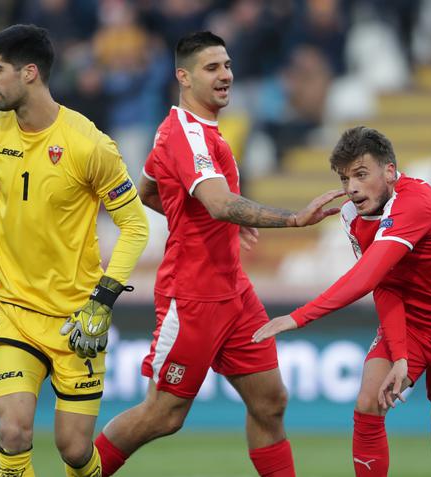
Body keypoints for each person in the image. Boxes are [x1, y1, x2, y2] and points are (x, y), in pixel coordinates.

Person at [93, 31, 344, 477]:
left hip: (234, 292)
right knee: (163, 415)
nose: (225, 75)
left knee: (270, 402)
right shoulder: (187, 135)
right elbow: (217, 201)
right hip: (193, 297)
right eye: (212, 68)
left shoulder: (197, 130)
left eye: (227, 65)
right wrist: (291, 220)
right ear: (183, 77)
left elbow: (152, 188)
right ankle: (82, 470)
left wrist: (217, 213)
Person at [0, 24, 149, 477]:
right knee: (13, 431)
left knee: (74, 450)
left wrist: (103, 298)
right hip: (15, 310)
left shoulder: (89, 144)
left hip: (79, 317)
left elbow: (135, 226)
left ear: (30, 73)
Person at [253, 126, 431, 477]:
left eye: (361, 174)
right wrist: (400, 354)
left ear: (390, 172)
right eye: (344, 177)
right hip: (412, 322)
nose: (351, 187)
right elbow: (385, 285)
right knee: (368, 403)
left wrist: (299, 317)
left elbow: (365, 277)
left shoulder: (416, 204)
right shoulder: (353, 216)